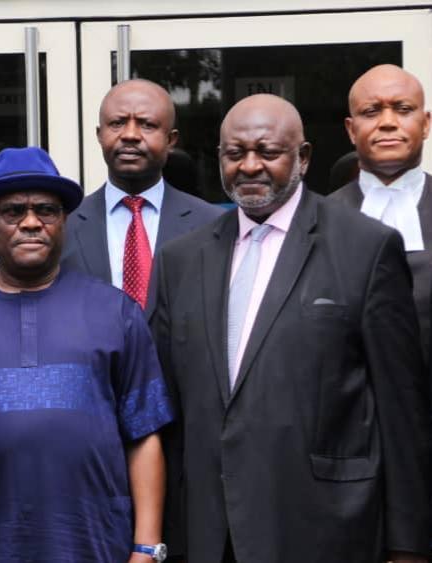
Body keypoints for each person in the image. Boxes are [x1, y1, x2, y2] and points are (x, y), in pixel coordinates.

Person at [151, 94, 430, 563]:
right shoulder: (181, 259)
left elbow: (401, 410)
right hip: (209, 532)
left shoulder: (366, 247)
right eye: (235, 154)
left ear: (303, 157)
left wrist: (408, 544)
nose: (250, 166)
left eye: (269, 151)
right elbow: (166, 409)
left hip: (325, 526)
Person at [0, 147, 174, 563]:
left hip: (96, 545)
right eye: (13, 211)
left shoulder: (116, 312)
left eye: (46, 210)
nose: (31, 222)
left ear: (63, 221)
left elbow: (144, 435)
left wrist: (146, 549)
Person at [62, 78, 222, 312]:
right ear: (99, 134)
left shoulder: (211, 224)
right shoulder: (65, 225)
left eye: (147, 124)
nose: (130, 135)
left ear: (171, 140)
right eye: (117, 123)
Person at [330, 64, 432, 359]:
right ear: (351, 129)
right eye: (371, 111)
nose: (387, 122)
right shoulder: (316, 221)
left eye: (402, 109)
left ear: (425, 124)